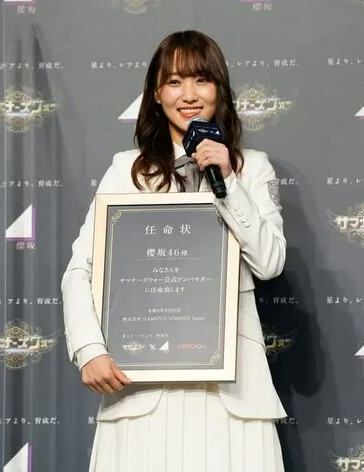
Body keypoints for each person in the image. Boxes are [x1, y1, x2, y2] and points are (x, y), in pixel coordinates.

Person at [62, 30, 287, 472]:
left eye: (202, 80)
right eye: (174, 82)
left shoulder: (251, 168)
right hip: (141, 388)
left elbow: (269, 262)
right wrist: (89, 348)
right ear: (156, 93)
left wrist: (228, 181)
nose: (189, 95)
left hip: (234, 394)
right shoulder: (126, 170)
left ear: (219, 89)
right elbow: (80, 270)